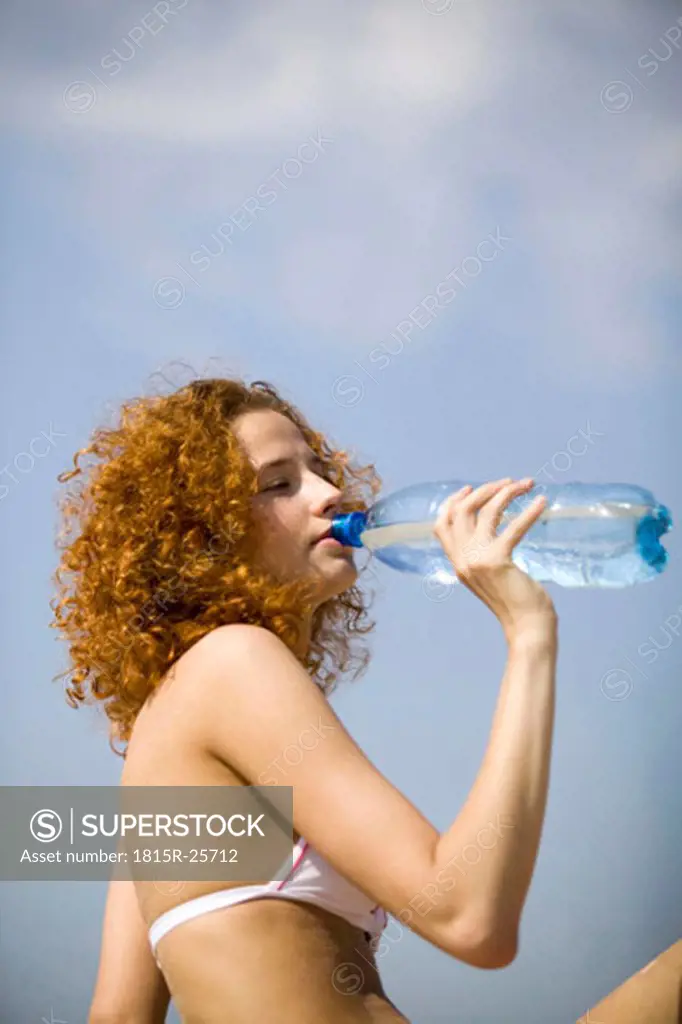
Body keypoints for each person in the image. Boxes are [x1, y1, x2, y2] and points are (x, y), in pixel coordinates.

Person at [51, 375, 558, 1024]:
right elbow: (469, 916)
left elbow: (118, 1016)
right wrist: (529, 636)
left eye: (319, 470)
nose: (330, 493)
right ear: (203, 536)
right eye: (279, 484)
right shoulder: (233, 661)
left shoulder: (167, 735)